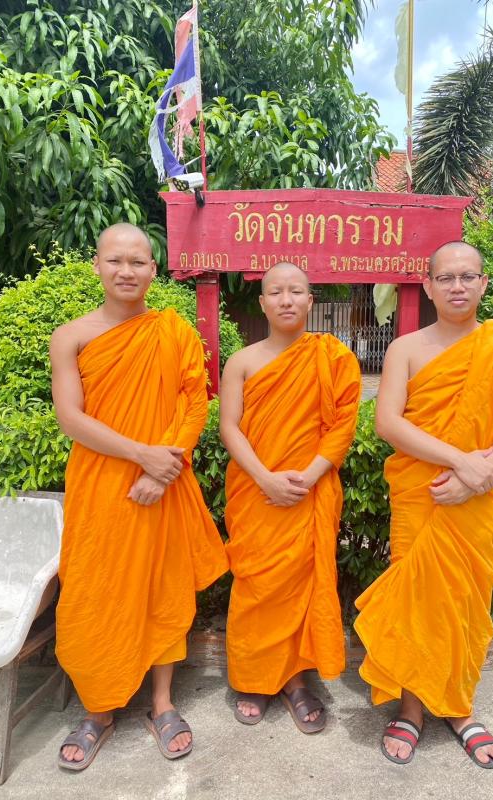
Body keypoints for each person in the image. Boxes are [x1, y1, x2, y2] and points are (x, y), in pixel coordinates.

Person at [354, 241, 493, 769]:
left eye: (467, 277)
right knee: (418, 601)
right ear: (428, 285)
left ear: (483, 284)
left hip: (479, 498)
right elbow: (388, 423)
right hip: (422, 495)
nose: (457, 286)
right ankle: (411, 710)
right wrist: (464, 463)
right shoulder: (405, 349)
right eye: (446, 278)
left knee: (464, 602)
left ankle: (458, 707)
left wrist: (480, 476)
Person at [50, 223, 227, 770]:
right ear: (97, 266)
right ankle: (99, 709)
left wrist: (163, 468)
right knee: (92, 590)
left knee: (162, 589)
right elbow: (71, 418)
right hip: (101, 487)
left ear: (155, 269)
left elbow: (193, 402)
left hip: (162, 485)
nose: (126, 271)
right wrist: (140, 455)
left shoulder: (172, 333)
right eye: (115, 261)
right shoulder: (72, 336)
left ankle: (161, 702)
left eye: (138, 262)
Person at [219, 262, 361, 733]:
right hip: (255, 490)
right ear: (261, 302)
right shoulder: (242, 361)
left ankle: (297, 681)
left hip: (309, 488)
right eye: (275, 292)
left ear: (309, 301)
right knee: (256, 585)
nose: (285, 299)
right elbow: (229, 429)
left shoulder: (332, 357)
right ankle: (253, 679)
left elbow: (343, 425)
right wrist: (265, 479)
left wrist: (308, 475)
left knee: (303, 587)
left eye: (295, 291)